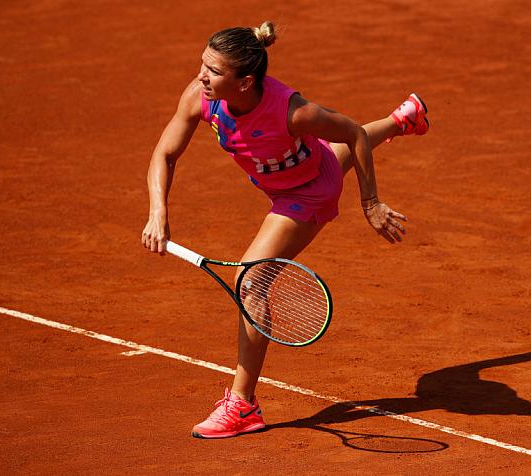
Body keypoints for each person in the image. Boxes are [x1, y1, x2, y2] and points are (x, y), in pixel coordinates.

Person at [141, 21, 429, 439]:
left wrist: (370, 204)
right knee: (331, 154)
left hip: (308, 193)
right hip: (302, 165)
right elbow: (165, 154)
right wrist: (157, 211)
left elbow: (351, 131)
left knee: (250, 282)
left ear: (245, 82)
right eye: (202, 64)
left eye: (214, 71)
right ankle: (403, 120)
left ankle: (243, 406)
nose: (202, 76)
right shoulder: (200, 96)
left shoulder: (291, 111)